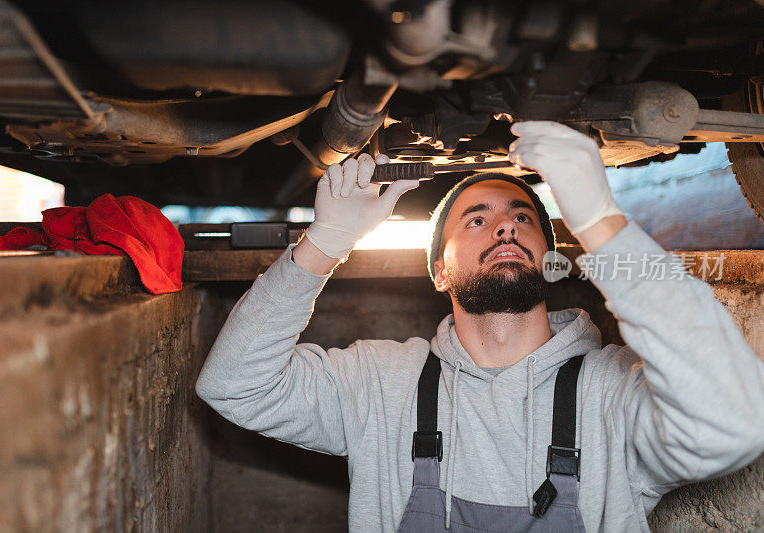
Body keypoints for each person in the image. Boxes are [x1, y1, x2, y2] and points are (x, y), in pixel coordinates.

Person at [196, 121, 764, 532]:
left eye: (523, 218)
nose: (506, 228)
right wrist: (321, 245)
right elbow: (235, 385)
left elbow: (734, 424)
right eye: (477, 219)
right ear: (439, 272)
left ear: (550, 258)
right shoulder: (380, 383)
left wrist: (601, 222)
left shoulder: (613, 395)